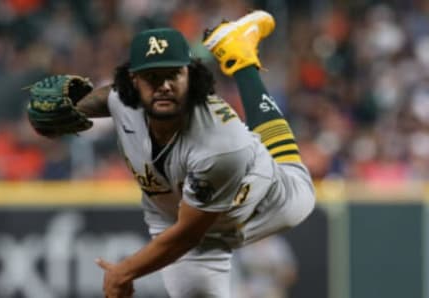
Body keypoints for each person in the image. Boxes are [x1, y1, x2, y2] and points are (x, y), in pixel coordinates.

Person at [28, 10, 315, 298]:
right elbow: (111, 97)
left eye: (172, 74)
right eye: (152, 76)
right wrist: (77, 108)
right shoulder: (125, 99)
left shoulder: (221, 144)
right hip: (177, 219)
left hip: (258, 205)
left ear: (189, 75)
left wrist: (124, 271)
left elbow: (189, 234)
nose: (163, 85)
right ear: (133, 81)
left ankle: (241, 58)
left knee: (296, 181)